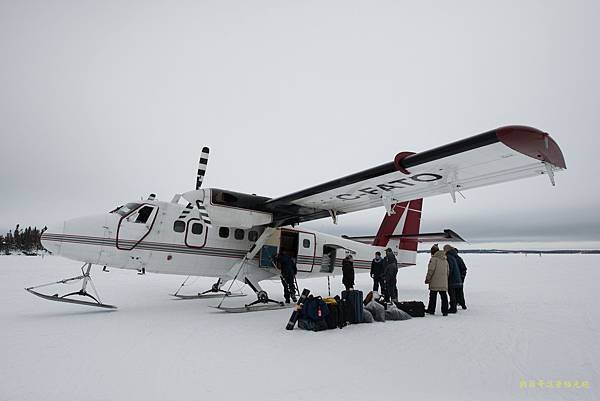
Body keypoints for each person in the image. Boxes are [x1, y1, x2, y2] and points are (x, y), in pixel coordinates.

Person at [424, 244, 449, 316]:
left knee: (432, 296)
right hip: (443, 281)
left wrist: (427, 279)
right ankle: (445, 311)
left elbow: (431, 270)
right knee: (444, 296)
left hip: (434, 281)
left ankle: (431, 310)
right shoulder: (445, 259)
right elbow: (448, 271)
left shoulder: (434, 259)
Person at [444, 244, 463, 313]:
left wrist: (447, 276)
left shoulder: (449, 257)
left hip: (452, 279)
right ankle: (454, 307)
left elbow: (450, 268)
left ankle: (453, 308)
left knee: (451, 294)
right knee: (454, 294)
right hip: (456, 278)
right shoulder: (454, 256)